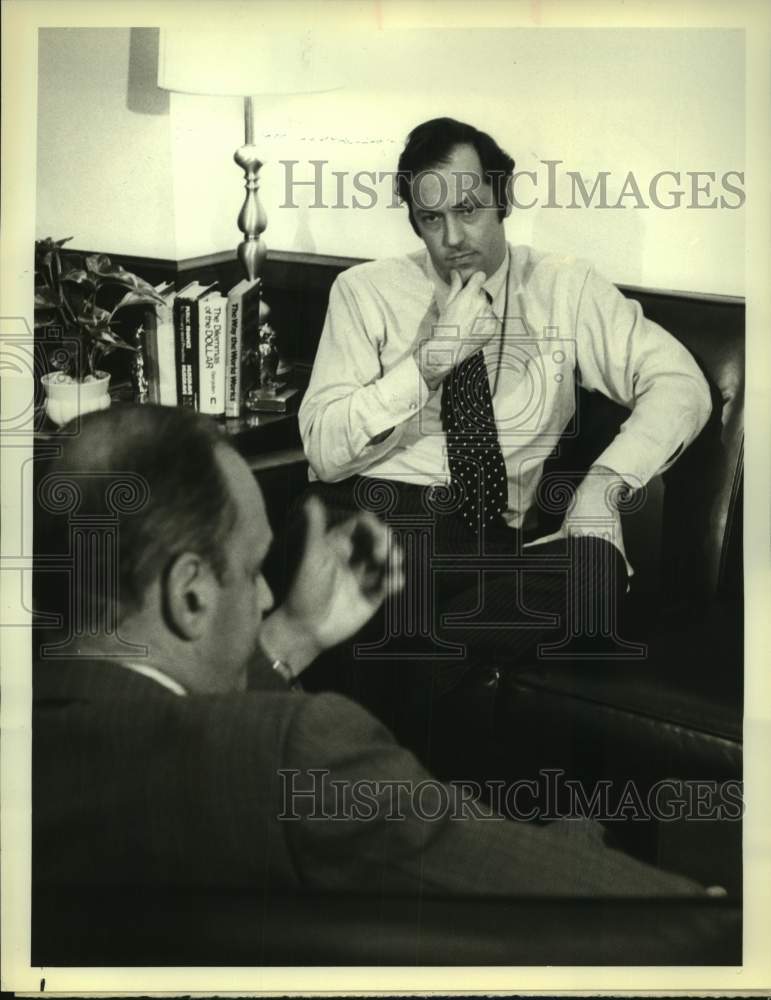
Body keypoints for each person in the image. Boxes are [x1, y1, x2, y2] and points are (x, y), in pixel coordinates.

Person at [32, 405, 703, 898]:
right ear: (190, 593)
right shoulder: (294, 751)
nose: (267, 594)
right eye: (256, 568)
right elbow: (628, 910)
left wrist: (293, 634)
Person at [297, 117, 712, 723]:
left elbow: (680, 383)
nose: (454, 238)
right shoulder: (364, 293)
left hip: (493, 543)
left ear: (504, 200)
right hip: (384, 515)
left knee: (596, 568)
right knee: (393, 558)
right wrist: (432, 362)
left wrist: (602, 485)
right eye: (432, 220)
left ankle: (401, 689)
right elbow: (323, 450)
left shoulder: (566, 288)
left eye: (470, 210)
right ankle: (409, 720)